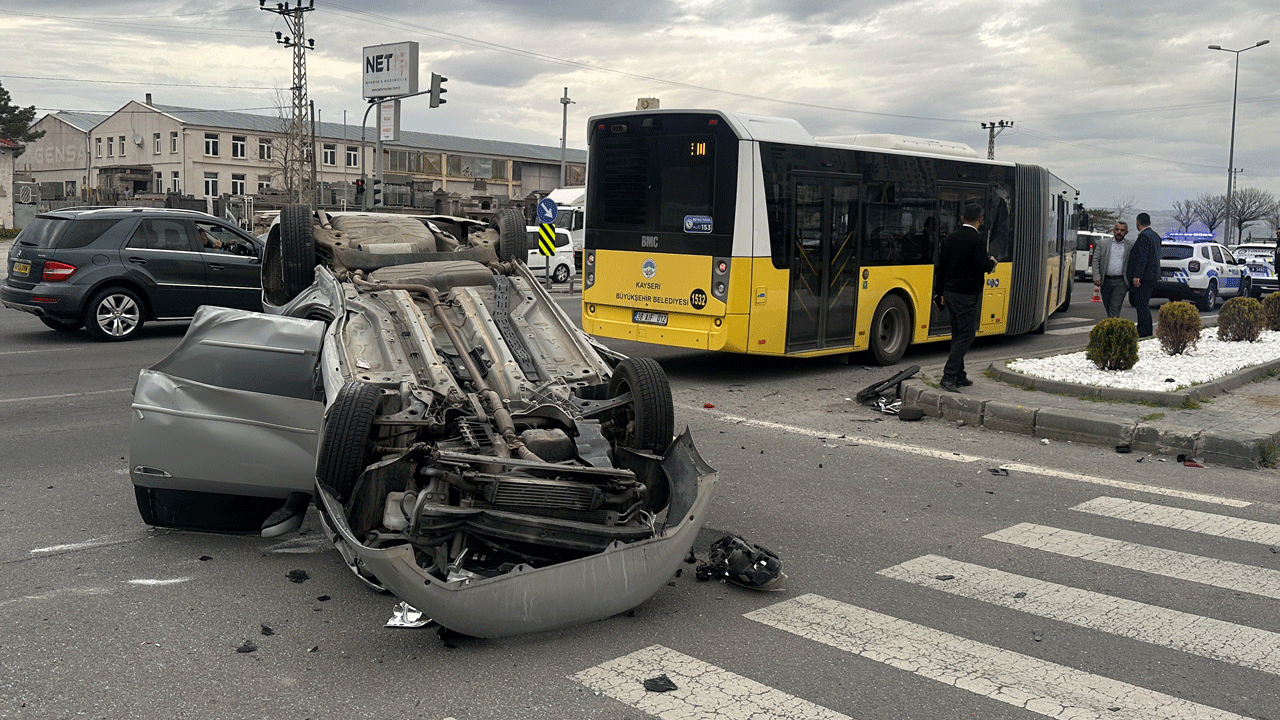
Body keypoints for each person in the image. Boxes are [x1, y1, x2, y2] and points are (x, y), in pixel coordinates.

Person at [933, 204, 996, 393]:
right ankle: (949, 376)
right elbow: (981, 265)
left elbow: (941, 268)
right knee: (967, 335)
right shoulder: (976, 240)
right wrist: (991, 262)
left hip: (950, 294)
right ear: (980, 220)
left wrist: (939, 292)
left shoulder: (949, 239)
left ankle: (959, 375)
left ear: (962, 218)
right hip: (966, 294)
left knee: (957, 333)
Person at [1127, 212, 1162, 337]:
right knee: (1144, 304)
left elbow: (1142, 258)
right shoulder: (1155, 236)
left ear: (1138, 223)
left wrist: (1137, 276)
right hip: (1153, 276)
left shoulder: (1144, 237)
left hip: (1144, 278)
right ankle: (1146, 330)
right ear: (1149, 222)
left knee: (1141, 305)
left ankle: (1143, 331)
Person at [1092, 221, 1135, 318]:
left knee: (1115, 307)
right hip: (1105, 280)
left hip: (1121, 282)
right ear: (1113, 230)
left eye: (1122, 230)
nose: (1119, 232)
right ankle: (1112, 325)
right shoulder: (1103, 244)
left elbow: (1133, 263)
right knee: (1108, 306)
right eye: (1117, 229)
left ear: (1126, 232)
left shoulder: (1130, 246)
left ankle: (1112, 328)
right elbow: (1095, 260)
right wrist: (1096, 275)